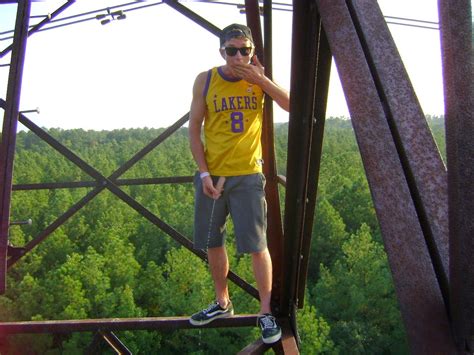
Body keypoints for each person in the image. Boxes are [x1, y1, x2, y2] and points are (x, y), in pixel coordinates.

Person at [188, 23, 290, 345]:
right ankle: (222, 302)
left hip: (247, 175)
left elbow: (292, 104)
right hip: (214, 176)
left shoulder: (256, 81)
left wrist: (261, 79)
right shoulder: (206, 80)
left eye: (244, 50)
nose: (238, 56)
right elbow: (193, 131)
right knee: (212, 242)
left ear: (252, 52)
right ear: (221, 51)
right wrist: (204, 173)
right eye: (231, 50)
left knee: (257, 247)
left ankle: (265, 312)